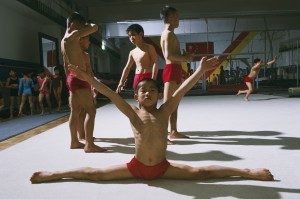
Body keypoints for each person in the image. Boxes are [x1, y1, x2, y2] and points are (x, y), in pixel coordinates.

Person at [30, 56, 274, 183]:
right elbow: (109, 94)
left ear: (159, 95)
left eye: (152, 91)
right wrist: (88, 78)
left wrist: (200, 71)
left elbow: (181, 91)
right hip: (135, 167)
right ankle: (54, 174)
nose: (147, 93)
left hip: (163, 167)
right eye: (143, 91)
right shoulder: (132, 112)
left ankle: (247, 172)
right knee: (95, 174)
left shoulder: (164, 111)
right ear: (136, 96)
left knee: (201, 172)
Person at [61, 12, 105, 152]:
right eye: (79, 26)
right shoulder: (72, 36)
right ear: (72, 24)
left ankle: (74, 141)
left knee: (74, 111)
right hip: (79, 78)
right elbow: (95, 27)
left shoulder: (64, 40)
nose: (81, 30)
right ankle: (89, 144)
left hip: (73, 77)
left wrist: (69, 80)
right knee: (90, 111)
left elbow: (64, 64)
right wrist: (88, 25)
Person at [160, 5, 193, 140]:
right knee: (168, 104)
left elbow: (174, 54)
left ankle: (173, 131)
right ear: (169, 18)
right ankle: (162, 135)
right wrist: (185, 58)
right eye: (176, 17)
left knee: (174, 103)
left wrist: (183, 55)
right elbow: (168, 56)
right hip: (171, 69)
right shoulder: (167, 34)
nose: (178, 19)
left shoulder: (171, 34)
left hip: (176, 69)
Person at [116, 24, 158, 92]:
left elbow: (155, 64)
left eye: (133, 35)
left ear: (141, 34)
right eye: (129, 36)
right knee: (138, 99)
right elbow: (127, 68)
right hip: (137, 77)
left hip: (148, 76)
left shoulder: (149, 47)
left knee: (148, 100)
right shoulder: (132, 52)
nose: (131, 38)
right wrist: (121, 82)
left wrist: (153, 80)